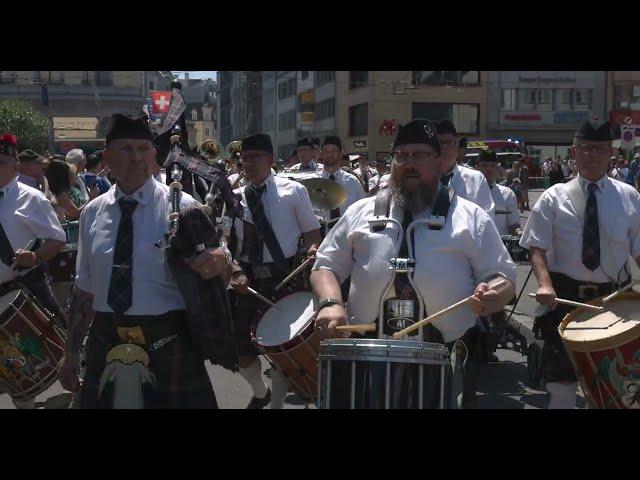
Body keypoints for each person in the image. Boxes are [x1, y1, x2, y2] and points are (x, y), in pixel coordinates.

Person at [310, 119, 516, 409]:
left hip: (444, 353)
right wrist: (330, 301)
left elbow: (503, 276)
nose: (409, 163)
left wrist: (494, 293)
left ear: (439, 161)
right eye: (402, 156)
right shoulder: (361, 212)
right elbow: (325, 264)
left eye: (419, 155)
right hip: (368, 352)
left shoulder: (471, 218)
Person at [59, 113, 230, 409]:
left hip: (169, 341)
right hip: (106, 338)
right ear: (108, 154)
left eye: (143, 148)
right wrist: (71, 352)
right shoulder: (92, 213)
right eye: (126, 149)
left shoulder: (184, 208)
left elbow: (218, 280)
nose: (136, 157)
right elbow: (84, 289)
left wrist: (222, 261)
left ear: (153, 154)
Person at [520, 118, 640, 409]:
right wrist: (545, 284)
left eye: (598, 149)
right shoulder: (553, 197)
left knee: (610, 387)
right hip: (563, 299)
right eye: (584, 148)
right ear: (574, 152)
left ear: (610, 153)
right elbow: (536, 246)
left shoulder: (629, 197)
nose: (591, 155)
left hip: (612, 301)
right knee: (561, 387)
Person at [225, 133, 322, 409]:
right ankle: (259, 391)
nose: (248, 163)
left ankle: (277, 403)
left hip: (285, 275)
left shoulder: (293, 191)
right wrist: (234, 271)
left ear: (269, 160)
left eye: (254, 158)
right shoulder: (233, 197)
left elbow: (312, 234)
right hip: (247, 277)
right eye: (244, 158)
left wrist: (313, 250)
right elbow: (224, 242)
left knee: (283, 345)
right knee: (241, 347)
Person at [0, 133, 68, 409]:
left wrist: (35, 256)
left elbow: (58, 239)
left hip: (17, 292)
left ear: (15, 165)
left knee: (22, 374)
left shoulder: (31, 198)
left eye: (1, 161)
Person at [436, 120, 495, 218]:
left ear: (457, 145)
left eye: (448, 143)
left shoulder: (476, 179)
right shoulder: (423, 179)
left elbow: (486, 218)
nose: (443, 148)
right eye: (438, 144)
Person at [316, 136, 366, 228]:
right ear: (321, 154)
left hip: (348, 232)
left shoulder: (352, 181)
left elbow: (362, 209)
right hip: (321, 234)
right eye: (326, 151)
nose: (330, 154)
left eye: (334, 151)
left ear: (341, 153)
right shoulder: (314, 181)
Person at [477, 150, 521, 237]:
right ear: (477, 168)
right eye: (484, 165)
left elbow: (513, 224)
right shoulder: (467, 192)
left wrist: (519, 232)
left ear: (497, 168)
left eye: (492, 165)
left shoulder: (507, 194)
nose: (488, 169)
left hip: (499, 245)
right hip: (473, 246)